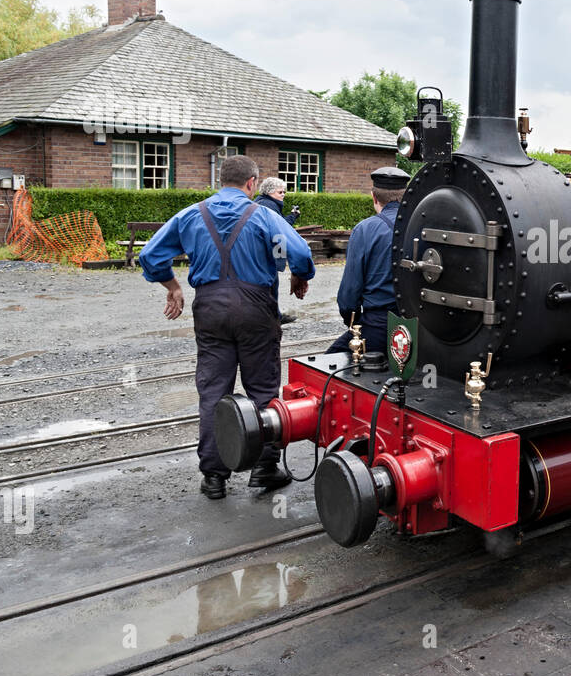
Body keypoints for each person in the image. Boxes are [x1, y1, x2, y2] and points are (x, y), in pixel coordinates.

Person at [140, 155, 315, 500]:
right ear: (252, 183)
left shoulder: (192, 215)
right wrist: (298, 276)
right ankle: (264, 467)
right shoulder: (264, 215)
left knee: (214, 392)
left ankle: (214, 477)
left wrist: (173, 287)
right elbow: (300, 252)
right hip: (256, 310)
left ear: (221, 180)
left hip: (210, 310)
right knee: (263, 389)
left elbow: (150, 255)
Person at [327, 166, 410, 358]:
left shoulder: (364, 230)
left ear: (374, 197)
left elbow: (349, 293)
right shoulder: (423, 226)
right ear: (405, 196)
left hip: (378, 324)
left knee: (328, 364)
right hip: (419, 325)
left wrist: (353, 322)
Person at [254, 176, 301, 325]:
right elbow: (280, 231)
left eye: (284, 192)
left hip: (263, 253)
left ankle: (274, 315)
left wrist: (292, 216)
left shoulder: (264, 203)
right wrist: (279, 258)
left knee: (270, 286)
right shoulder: (268, 205)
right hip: (267, 254)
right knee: (270, 285)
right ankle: (273, 318)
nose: (283, 195)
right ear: (269, 192)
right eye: (280, 192)